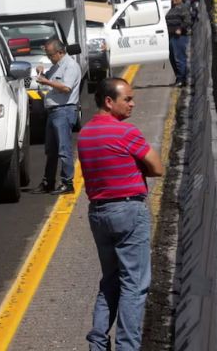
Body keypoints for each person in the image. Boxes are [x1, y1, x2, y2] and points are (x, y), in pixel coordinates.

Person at [77, 78, 164, 351]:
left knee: (111, 281)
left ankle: (98, 343)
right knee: (134, 285)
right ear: (108, 101)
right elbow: (157, 167)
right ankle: (128, 347)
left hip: (99, 213)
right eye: (127, 99)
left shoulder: (86, 134)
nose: (132, 104)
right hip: (128, 210)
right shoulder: (125, 132)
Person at [34, 39, 82, 195]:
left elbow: (66, 87)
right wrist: (41, 72)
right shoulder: (58, 66)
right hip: (54, 111)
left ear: (60, 52)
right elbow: (49, 80)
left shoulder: (71, 66)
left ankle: (67, 182)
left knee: (63, 148)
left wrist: (47, 80)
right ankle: (48, 181)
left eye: (50, 55)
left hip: (64, 110)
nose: (49, 58)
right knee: (51, 150)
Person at [166, 0, 191, 87]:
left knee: (179, 58)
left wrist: (180, 29)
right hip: (171, 36)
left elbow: (188, 21)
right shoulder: (172, 9)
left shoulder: (183, 8)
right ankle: (179, 78)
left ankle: (182, 79)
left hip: (179, 37)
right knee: (172, 58)